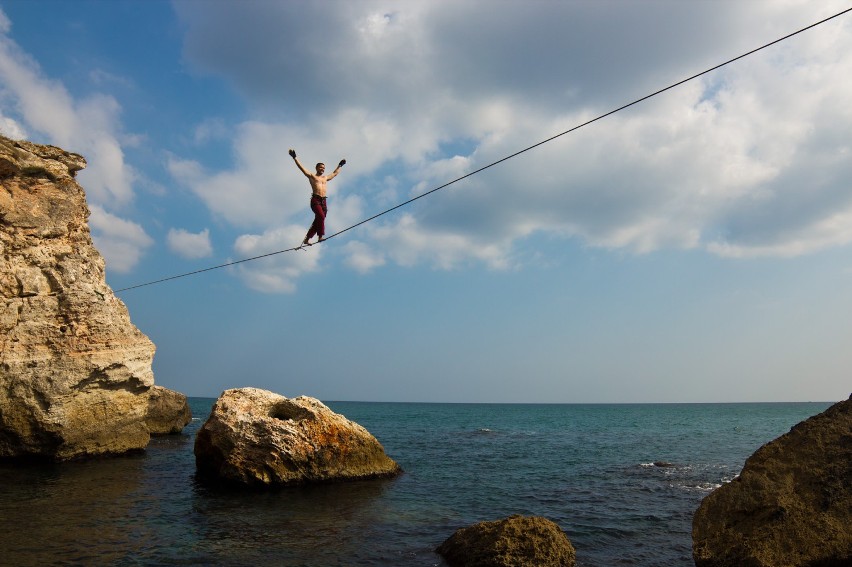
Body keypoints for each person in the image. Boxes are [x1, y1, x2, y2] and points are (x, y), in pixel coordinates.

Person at [288, 148, 346, 246]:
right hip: (315, 200)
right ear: (317, 168)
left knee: (319, 220)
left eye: (324, 168)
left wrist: (340, 165)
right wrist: (295, 158)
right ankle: (320, 236)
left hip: (324, 201)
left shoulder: (325, 178)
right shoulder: (312, 176)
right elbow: (301, 168)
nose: (322, 169)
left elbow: (335, 173)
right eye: (321, 167)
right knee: (321, 216)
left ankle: (307, 239)